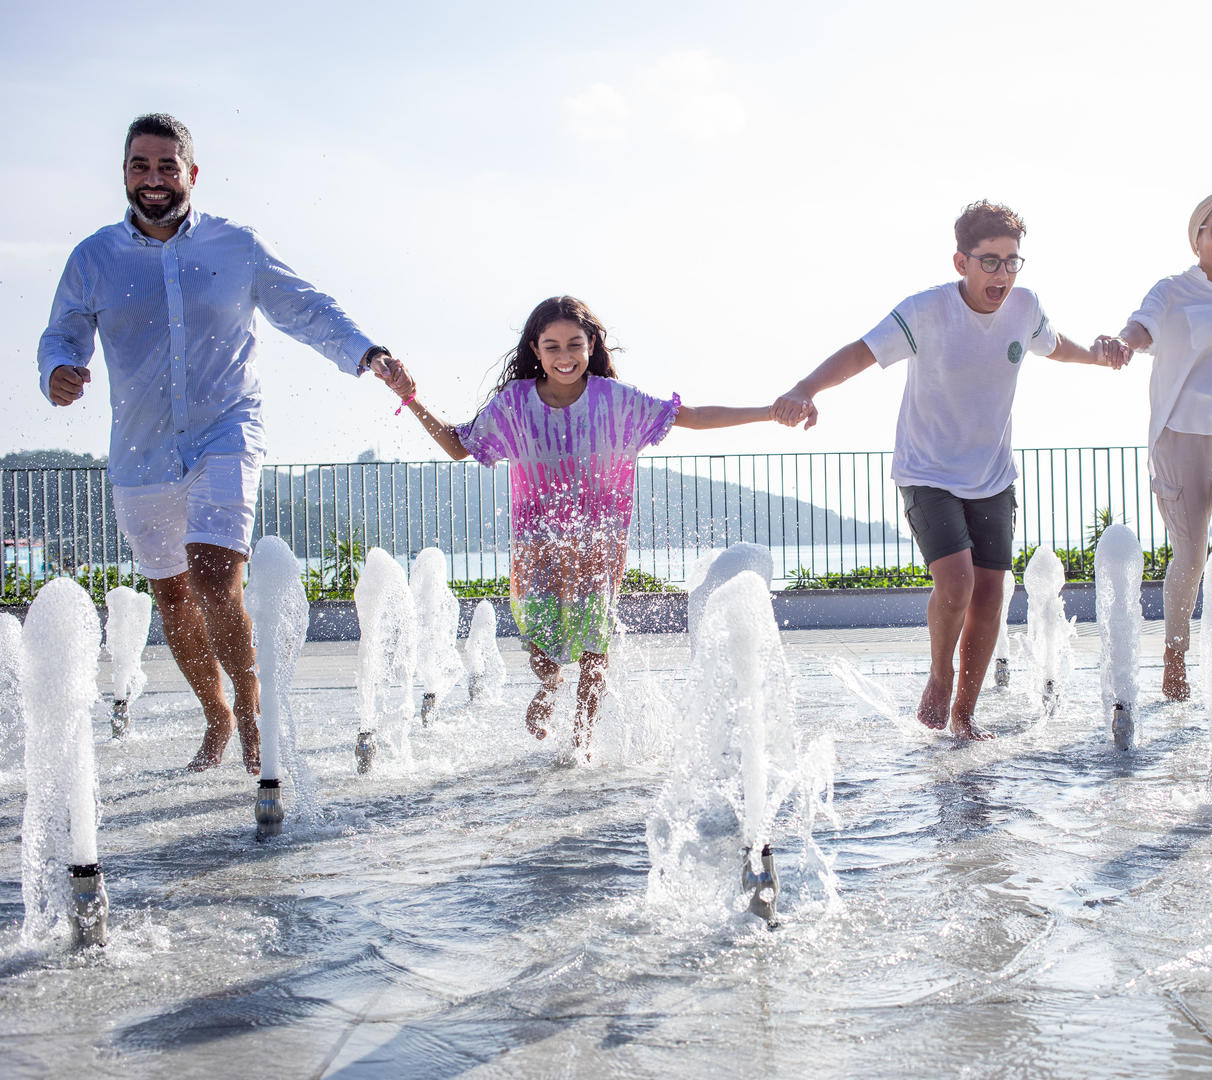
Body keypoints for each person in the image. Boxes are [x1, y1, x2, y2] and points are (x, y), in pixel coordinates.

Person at [37, 113, 399, 772]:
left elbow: (306, 307)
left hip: (227, 431)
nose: (153, 179)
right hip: (139, 453)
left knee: (213, 575)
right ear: (124, 173)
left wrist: (362, 351)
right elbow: (61, 333)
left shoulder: (237, 247)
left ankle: (254, 712)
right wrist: (58, 370)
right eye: (140, 166)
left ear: (192, 174)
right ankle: (218, 716)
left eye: (167, 166)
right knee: (173, 596)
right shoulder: (93, 258)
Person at [771, 201, 1130, 740]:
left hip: (992, 476)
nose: (1002, 275)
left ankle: (964, 714)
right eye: (990, 262)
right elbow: (860, 352)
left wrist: (1099, 357)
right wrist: (805, 388)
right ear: (961, 261)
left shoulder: (1025, 307)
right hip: (927, 471)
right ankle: (941, 677)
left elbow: (1056, 347)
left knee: (990, 592)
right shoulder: (926, 311)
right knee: (957, 582)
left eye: (1012, 262)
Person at [381, 295, 780, 755]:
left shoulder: (616, 400)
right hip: (538, 546)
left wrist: (769, 411)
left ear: (592, 345)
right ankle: (549, 689)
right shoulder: (514, 405)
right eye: (552, 346)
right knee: (540, 642)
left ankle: (582, 740)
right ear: (535, 349)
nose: (564, 356)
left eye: (575, 344)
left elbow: (691, 417)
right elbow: (458, 445)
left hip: (599, 543)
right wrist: (409, 398)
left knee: (595, 641)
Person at [1107, 187, 1212, 701]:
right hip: (1183, 429)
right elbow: (1142, 324)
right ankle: (1175, 653)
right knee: (1193, 553)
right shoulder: (1174, 290)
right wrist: (1123, 343)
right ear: (1198, 236)